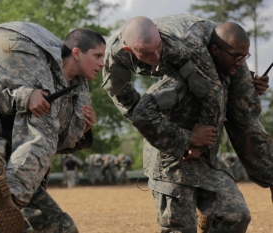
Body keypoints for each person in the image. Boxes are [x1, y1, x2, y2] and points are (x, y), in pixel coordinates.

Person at [102, 13, 273, 202]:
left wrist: (200, 143)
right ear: (128, 49)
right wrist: (171, 136)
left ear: (158, 32)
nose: (156, 56)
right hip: (192, 65)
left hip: (223, 51)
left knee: (246, 121)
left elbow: (212, 92)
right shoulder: (114, 55)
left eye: (158, 48)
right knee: (171, 114)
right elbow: (123, 98)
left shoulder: (185, 44)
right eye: (146, 53)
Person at [0, 24, 103, 233]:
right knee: (42, 125)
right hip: (18, 42)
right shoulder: (51, 65)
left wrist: (85, 128)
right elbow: (49, 136)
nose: (102, 63)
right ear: (76, 53)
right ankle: (8, 198)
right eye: (98, 56)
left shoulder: (68, 82)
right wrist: (28, 96)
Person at [132, 22, 252, 232]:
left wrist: (252, 88)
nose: (241, 63)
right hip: (173, 166)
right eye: (237, 56)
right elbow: (142, 114)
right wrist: (186, 138)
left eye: (245, 57)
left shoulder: (224, 76)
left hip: (206, 163)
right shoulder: (181, 79)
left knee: (237, 215)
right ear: (215, 51)